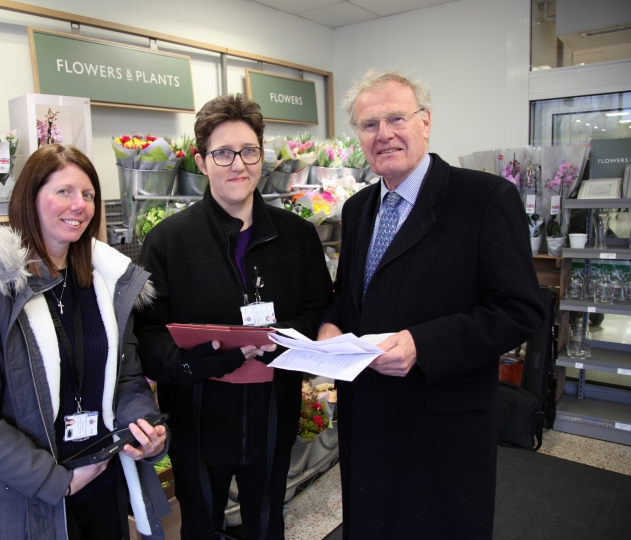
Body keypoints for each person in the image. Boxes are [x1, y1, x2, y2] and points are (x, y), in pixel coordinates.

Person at [318, 69, 544, 539]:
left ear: (425, 122)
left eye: (396, 118)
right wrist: (330, 327)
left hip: (442, 425)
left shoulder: (484, 198)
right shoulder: (358, 208)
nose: (383, 135)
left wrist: (423, 344)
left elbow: (520, 309)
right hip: (368, 415)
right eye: (369, 124)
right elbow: (351, 295)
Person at [0, 144, 171, 540]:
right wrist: (54, 480)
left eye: (88, 195)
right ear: (31, 197)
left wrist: (143, 428)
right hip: (23, 501)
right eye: (63, 191)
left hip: (100, 483)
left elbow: (128, 381)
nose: (78, 205)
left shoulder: (103, 285)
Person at [135, 93, 333, 539]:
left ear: (262, 157)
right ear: (202, 162)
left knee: (267, 520)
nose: (237, 164)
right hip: (197, 411)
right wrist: (193, 362)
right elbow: (146, 333)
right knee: (201, 522)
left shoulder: (298, 237)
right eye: (222, 153)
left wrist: (285, 340)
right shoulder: (168, 242)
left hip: (272, 408)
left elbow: (318, 307)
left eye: (248, 151)